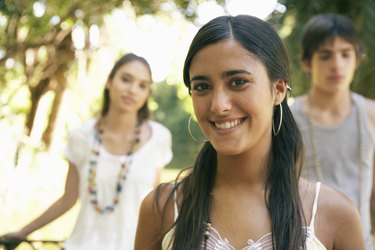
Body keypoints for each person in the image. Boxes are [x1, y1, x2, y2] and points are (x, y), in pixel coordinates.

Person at [134, 15, 364, 250]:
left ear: (278, 89)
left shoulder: (334, 214)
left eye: (237, 82)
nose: (218, 105)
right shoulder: (162, 209)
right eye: (202, 87)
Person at [0, 53, 173, 249]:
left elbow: (158, 205)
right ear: (109, 82)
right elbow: (68, 199)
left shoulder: (159, 138)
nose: (133, 90)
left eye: (142, 85)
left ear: (147, 94)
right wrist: (22, 233)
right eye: (126, 80)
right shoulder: (81, 136)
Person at [290, 13, 375, 249]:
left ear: (357, 60)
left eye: (346, 55)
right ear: (307, 62)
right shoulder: (289, 119)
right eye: (325, 56)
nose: (337, 65)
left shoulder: (370, 114)